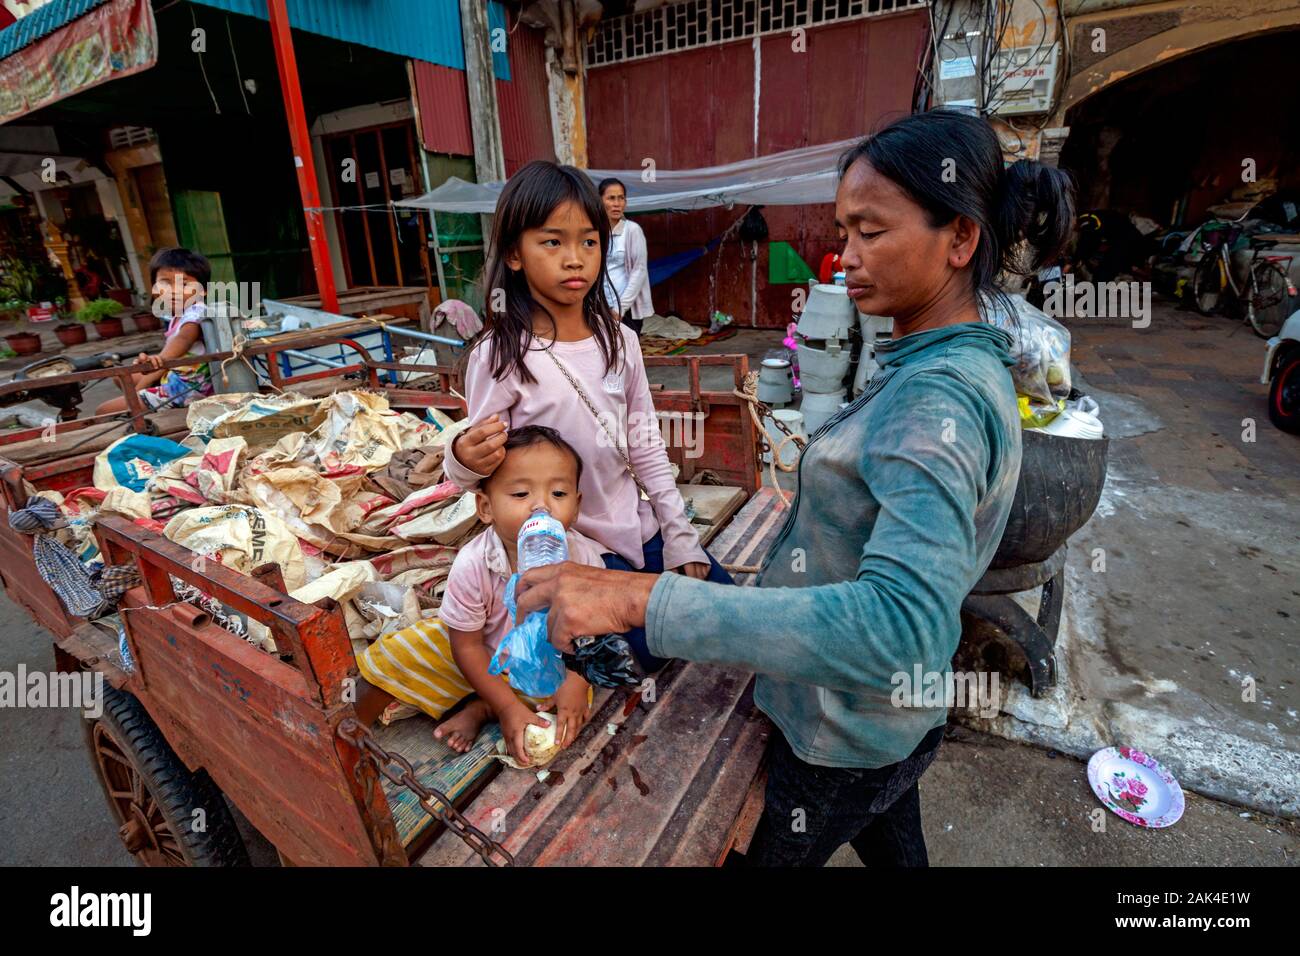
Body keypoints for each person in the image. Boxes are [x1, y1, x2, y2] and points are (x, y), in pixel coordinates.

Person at [513, 110, 1075, 866]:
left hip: (839, 738)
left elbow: (895, 628)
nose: (846, 259)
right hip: (888, 720)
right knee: (895, 834)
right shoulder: (935, 364)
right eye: (844, 233)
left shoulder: (939, 399)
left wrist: (640, 598)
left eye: (870, 232)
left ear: (960, 238)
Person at [443, 160, 732, 674]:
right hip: (569, 548)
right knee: (644, 653)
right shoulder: (500, 353)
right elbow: (481, 467)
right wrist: (462, 455)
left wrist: (679, 531)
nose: (574, 259)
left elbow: (643, 441)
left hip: (637, 526)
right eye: (552, 242)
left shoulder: (620, 341)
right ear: (514, 253)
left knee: (717, 613)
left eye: (589, 242)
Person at [356, 426, 604, 766]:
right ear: (485, 507)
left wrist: (576, 682)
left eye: (559, 494)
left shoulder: (585, 560)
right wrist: (507, 706)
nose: (541, 507)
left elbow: (594, 637)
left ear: (576, 507)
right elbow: (467, 645)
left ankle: (484, 707)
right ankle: (347, 734)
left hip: (552, 666)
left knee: (571, 702)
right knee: (401, 651)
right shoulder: (474, 562)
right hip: (483, 658)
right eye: (520, 495)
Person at [95, 247, 214, 415]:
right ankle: (143, 409)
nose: (174, 290)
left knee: (104, 411)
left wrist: (159, 360)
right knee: (120, 377)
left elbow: (184, 338)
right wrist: (153, 366)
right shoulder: (176, 315)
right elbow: (168, 357)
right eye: (165, 282)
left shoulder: (197, 311)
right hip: (175, 376)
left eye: (185, 284)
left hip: (189, 390)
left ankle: (140, 415)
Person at [597, 177, 654, 336]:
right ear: (600, 201)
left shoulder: (632, 230)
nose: (617, 203)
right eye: (611, 198)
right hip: (600, 306)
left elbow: (639, 271)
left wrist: (619, 309)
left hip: (626, 309)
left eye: (621, 198)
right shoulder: (595, 232)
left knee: (627, 355)